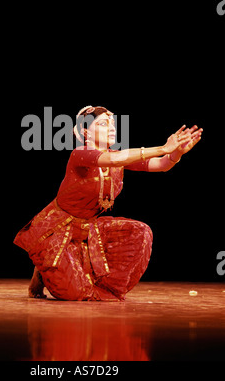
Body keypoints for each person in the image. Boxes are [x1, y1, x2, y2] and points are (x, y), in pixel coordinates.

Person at [14, 106, 202, 301]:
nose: (112, 127)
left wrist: (176, 153)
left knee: (140, 232)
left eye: (112, 123)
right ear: (85, 131)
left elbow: (161, 165)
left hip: (89, 229)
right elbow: (113, 159)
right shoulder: (81, 154)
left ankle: (71, 268)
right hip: (59, 230)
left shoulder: (118, 156)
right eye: (104, 124)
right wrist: (162, 148)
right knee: (76, 293)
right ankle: (43, 268)